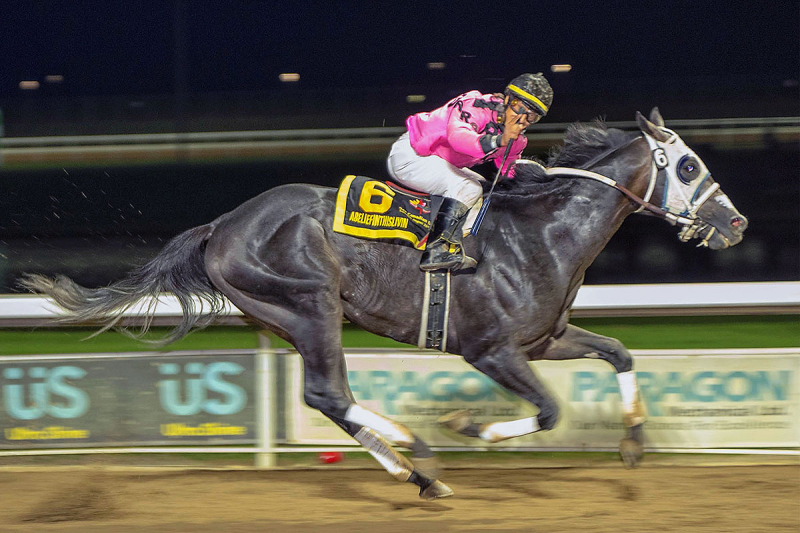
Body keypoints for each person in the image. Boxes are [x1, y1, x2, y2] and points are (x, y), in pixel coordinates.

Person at [387, 73, 554, 271]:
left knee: (482, 188)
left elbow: (509, 172)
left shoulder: (516, 140)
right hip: (411, 155)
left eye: (532, 116)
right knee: (470, 188)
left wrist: (539, 185)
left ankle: (460, 245)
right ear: (508, 99)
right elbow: (458, 138)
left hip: (437, 161)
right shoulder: (475, 104)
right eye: (520, 108)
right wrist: (499, 141)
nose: (524, 119)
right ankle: (437, 249)